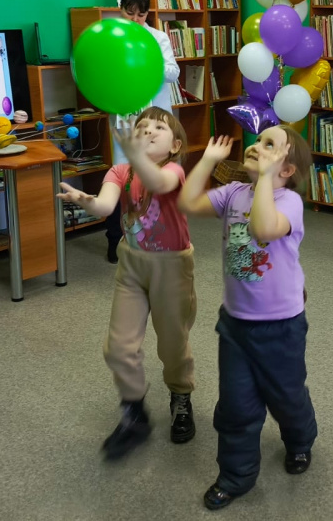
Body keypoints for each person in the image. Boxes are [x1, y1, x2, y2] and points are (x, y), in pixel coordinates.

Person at [178, 127, 316, 511]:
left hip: (281, 325)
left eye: (270, 145)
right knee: (236, 405)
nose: (257, 146)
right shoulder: (233, 193)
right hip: (236, 323)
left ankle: (300, 439)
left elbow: (262, 228)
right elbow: (187, 203)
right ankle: (235, 476)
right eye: (258, 140)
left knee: (286, 396)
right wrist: (207, 161)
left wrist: (266, 180)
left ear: (286, 169)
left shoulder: (289, 202)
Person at [56, 106, 196, 459]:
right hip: (131, 265)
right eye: (142, 126)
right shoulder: (120, 170)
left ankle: (180, 395)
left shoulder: (174, 171)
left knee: (173, 345)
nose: (148, 130)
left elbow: (158, 183)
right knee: (117, 348)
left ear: (175, 145)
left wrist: (136, 155)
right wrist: (85, 201)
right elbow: (105, 207)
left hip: (171, 268)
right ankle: (134, 413)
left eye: (158, 128)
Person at [105, 0, 180, 264]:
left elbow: (173, 72)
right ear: (120, 9)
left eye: (142, 14)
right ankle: (115, 239)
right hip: (124, 120)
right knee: (122, 177)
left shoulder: (158, 38)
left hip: (155, 122)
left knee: (155, 177)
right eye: (130, 13)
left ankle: (156, 237)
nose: (136, 19)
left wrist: (148, 60)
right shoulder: (112, 38)